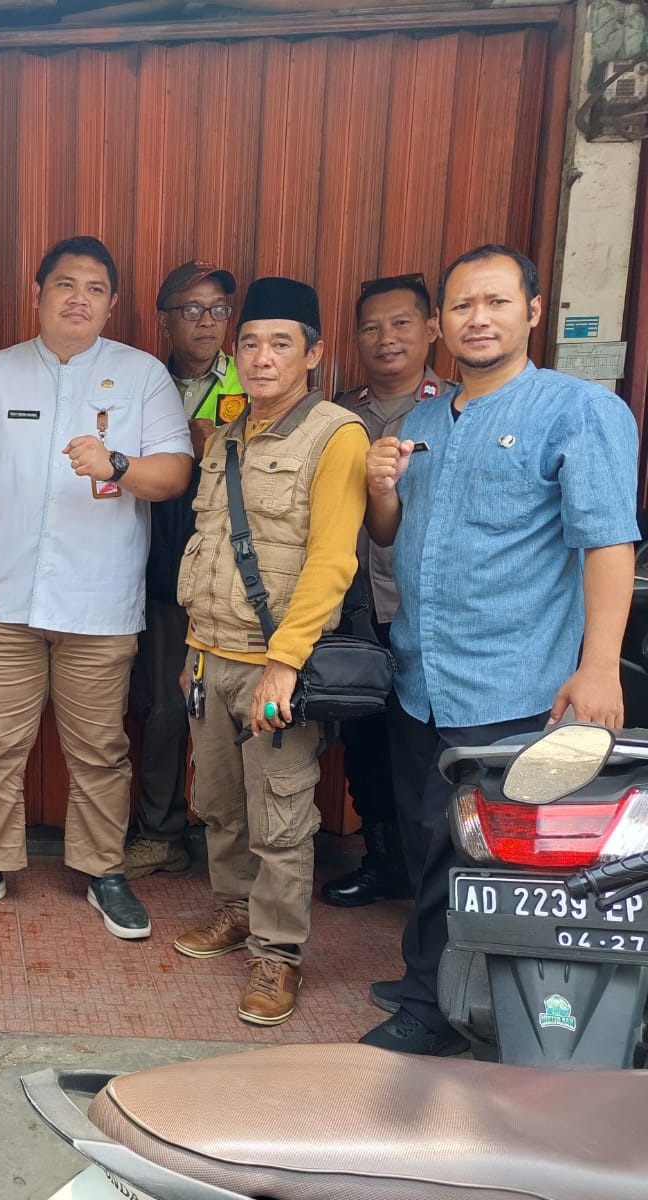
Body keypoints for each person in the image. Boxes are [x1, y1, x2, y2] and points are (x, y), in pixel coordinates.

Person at [359, 244, 637, 1055]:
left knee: (478, 854)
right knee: (429, 842)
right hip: (422, 679)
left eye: (497, 303)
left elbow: (607, 542)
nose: (477, 319)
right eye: (462, 306)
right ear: (441, 324)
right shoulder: (422, 420)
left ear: (533, 312)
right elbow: (391, 534)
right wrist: (380, 491)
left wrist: (599, 665)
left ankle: (435, 1011)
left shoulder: (578, 411)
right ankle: (438, 976)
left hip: (511, 680)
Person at [0, 235, 192, 937]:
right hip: (0, 600)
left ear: (112, 304)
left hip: (99, 604)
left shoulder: (142, 376)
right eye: (65, 284)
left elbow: (174, 475)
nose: (80, 298)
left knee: (101, 751)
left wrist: (117, 464)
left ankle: (104, 871)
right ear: (37, 294)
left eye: (95, 288)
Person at [173, 275, 368, 1027]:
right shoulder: (227, 435)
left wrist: (285, 665)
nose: (261, 358)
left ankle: (277, 953)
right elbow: (210, 543)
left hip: (274, 662)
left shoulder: (336, 435)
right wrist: (193, 652)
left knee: (281, 815)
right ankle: (235, 911)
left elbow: (331, 560)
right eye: (250, 343)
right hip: (210, 653)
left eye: (280, 344)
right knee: (221, 805)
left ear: (312, 354)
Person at [321, 272, 445, 912]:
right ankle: (383, 861)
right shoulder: (336, 415)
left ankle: (437, 879)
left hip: (423, 612)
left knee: (425, 748)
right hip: (351, 610)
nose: (386, 338)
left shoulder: (454, 410)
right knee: (364, 743)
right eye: (371, 327)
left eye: (401, 323)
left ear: (432, 329)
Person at [127, 260, 245, 880]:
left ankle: (215, 841)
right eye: (192, 309)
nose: (207, 321)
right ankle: (161, 831)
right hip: (150, 564)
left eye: (218, 309)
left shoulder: (253, 377)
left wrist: (217, 446)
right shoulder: (141, 383)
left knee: (220, 704)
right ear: (163, 320)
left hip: (230, 572)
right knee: (158, 703)